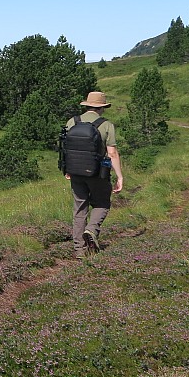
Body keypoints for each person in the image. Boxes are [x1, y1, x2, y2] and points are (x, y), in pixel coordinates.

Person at [63, 91, 123, 259]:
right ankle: (92, 229)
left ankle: (79, 250)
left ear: (87, 105)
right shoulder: (106, 125)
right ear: (102, 107)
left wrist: (67, 169)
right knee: (102, 203)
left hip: (75, 172)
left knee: (79, 208)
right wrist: (119, 176)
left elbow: (66, 148)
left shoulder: (72, 122)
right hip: (98, 173)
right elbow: (112, 153)